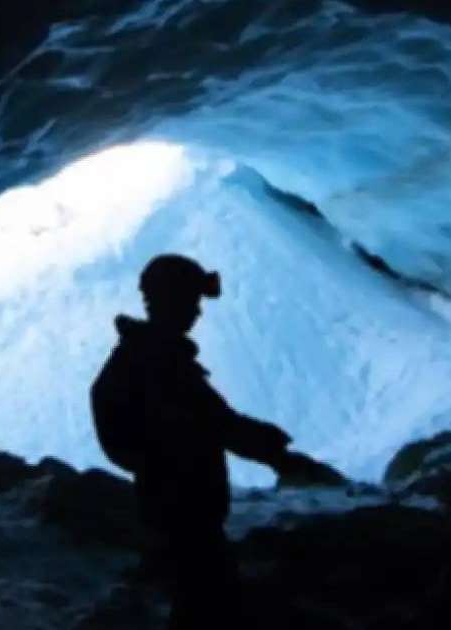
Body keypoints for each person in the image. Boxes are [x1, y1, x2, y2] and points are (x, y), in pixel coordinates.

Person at [89, 254, 343, 626]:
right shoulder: (162, 364)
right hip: (184, 507)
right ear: (171, 301)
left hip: (172, 503)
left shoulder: (147, 357)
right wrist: (278, 454)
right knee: (205, 600)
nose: (197, 313)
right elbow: (217, 423)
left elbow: (211, 422)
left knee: (197, 600)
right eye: (192, 301)